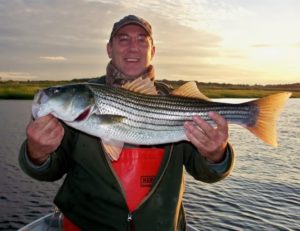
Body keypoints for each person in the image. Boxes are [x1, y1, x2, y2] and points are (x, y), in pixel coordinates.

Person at [19, 15, 234, 231]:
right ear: (109, 49)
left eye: (142, 40)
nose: (133, 48)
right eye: (123, 39)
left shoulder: (176, 99)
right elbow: (48, 172)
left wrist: (217, 155)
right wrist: (36, 153)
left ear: (153, 51)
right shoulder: (70, 107)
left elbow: (206, 173)